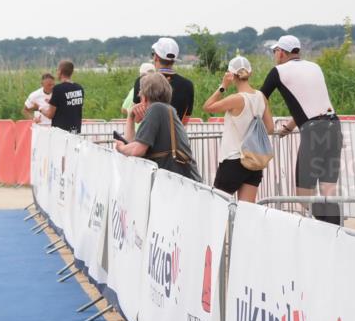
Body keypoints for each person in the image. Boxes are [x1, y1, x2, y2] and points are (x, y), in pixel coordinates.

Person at [260, 34, 343, 225]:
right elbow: (311, 102)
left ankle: (328, 229)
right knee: (328, 192)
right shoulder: (315, 67)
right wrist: (289, 127)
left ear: (281, 52)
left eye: (275, 51)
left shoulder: (278, 71)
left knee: (303, 196)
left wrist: (269, 125)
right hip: (333, 126)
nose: (274, 55)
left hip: (314, 132)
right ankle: (337, 233)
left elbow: (261, 97)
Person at [202, 56, 274, 203]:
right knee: (246, 212)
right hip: (254, 160)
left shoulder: (236, 99)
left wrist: (223, 86)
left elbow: (207, 107)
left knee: (218, 206)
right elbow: (270, 128)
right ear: (250, 73)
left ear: (231, 75)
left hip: (233, 159)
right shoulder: (261, 97)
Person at [117, 72, 201, 180]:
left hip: (178, 182)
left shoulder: (156, 109)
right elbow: (132, 143)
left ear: (145, 98)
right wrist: (131, 116)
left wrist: (121, 148)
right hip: (181, 180)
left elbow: (137, 150)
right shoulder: (166, 109)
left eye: (140, 97)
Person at [131, 37, 194, 123]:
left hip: (150, 135)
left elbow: (136, 118)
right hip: (176, 135)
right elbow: (185, 121)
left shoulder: (142, 81)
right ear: (174, 60)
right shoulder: (188, 85)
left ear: (156, 57)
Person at [37, 60, 84, 133]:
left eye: (57, 70)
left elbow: (50, 115)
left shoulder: (58, 89)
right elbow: (71, 105)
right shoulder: (79, 88)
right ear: (71, 72)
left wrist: (40, 108)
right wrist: (52, 102)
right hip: (75, 130)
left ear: (60, 71)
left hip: (61, 132)